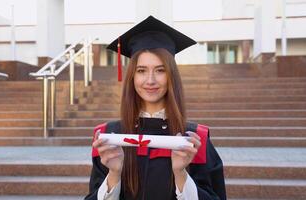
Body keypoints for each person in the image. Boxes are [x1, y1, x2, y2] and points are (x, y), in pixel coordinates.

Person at [85, 16, 226, 200]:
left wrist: (181, 174)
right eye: (141, 71)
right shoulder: (111, 137)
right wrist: (114, 174)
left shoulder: (193, 140)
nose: (150, 80)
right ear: (132, 77)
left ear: (171, 76)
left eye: (160, 70)